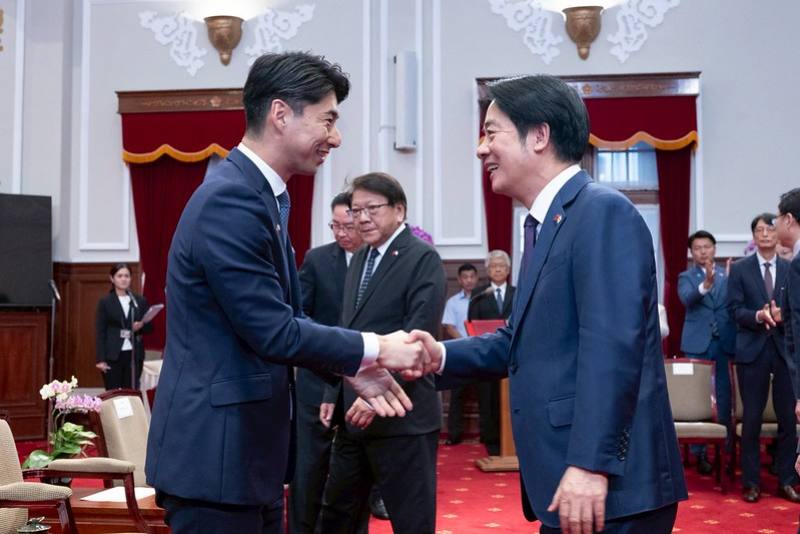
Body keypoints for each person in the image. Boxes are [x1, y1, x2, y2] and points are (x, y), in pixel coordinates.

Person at [144, 52, 425, 534]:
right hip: (216, 459)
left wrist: (351, 367)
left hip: (246, 457)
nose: (336, 138)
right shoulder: (231, 199)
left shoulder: (263, 196)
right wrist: (376, 348)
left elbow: (285, 319)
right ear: (280, 114)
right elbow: (273, 332)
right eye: (328, 120)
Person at [409, 74, 686, 533]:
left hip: (608, 489)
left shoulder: (601, 211)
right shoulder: (548, 224)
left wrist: (590, 465)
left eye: (492, 132)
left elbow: (612, 348)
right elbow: (520, 339)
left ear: (539, 136)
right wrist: (437, 354)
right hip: (570, 482)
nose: (482, 148)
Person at [318, 172, 446, 534]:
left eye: (371, 209)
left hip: (403, 416)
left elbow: (418, 336)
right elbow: (347, 333)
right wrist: (333, 391)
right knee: (337, 516)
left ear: (399, 210)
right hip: (351, 414)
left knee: (411, 520)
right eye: (356, 210)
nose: (362, 218)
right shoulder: (360, 259)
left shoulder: (423, 259)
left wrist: (373, 397)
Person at [288, 191, 362, 534]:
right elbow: (299, 316)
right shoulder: (316, 260)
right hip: (318, 377)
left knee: (357, 466)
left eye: (347, 225)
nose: (341, 233)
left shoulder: (375, 261)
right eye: (335, 226)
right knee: (310, 467)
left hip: (362, 381)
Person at [727, 213, 797, 503]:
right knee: (752, 420)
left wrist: (782, 316)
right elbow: (733, 310)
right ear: (753, 236)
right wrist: (758, 315)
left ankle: (787, 481)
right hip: (752, 351)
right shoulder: (740, 269)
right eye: (760, 229)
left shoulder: (790, 267)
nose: (766, 233)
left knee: (788, 421)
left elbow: (795, 309)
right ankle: (752, 483)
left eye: (771, 228)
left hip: (783, 352)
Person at [678, 230, 736, 474]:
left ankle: (725, 451)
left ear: (715, 249)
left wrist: (733, 283)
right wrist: (706, 285)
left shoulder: (728, 274)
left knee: (724, 397)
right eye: (698, 248)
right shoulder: (686, 277)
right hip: (697, 344)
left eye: (707, 247)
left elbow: (735, 304)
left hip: (724, 342)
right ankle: (698, 453)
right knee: (698, 399)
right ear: (692, 253)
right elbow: (687, 299)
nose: (703, 251)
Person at [465, 250, 515, 455]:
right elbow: (472, 326)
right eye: (494, 266)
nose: (497, 269)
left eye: (501, 266)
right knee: (488, 399)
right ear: (487, 270)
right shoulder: (478, 296)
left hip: (511, 357)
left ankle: (512, 443)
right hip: (486, 357)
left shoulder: (518, 293)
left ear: (509, 270)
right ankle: (491, 442)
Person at [94, 263, 152, 390]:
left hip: (134, 353)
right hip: (113, 354)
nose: (123, 279)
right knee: (113, 393)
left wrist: (141, 326)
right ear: (112, 279)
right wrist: (101, 359)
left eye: (127, 276)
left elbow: (149, 328)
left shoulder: (139, 301)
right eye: (119, 276)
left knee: (132, 391)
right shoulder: (106, 302)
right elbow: (100, 331)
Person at [442, 263, 478, 445]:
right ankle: (454, 435)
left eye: (472, 276)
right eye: (465, 277)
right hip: (462, 352)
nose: (469, 280)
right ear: (459, 280)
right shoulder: (453, 302)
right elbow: (448, 326)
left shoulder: (482, 299)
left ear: (477, 278)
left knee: (486, 396)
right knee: (457, 396)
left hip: (482, 352)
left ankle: (490, 436)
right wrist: (466, 342)